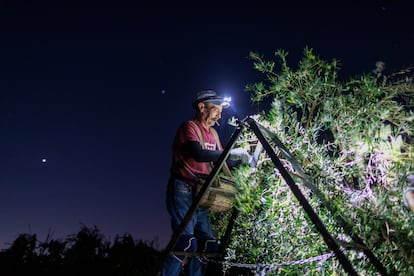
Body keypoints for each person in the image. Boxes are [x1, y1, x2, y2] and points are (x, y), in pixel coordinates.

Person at [161, 90, 251, 276]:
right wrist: (232, 153)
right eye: (215, 108)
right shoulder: (189, 127)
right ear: (202, 107)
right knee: (186, 242)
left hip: (202, 192)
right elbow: (199, 154)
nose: (219, 113)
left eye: (220, 110)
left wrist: (243, 158)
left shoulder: (214, 135)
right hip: (183, 189)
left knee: (208, 245)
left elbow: (221, 161)